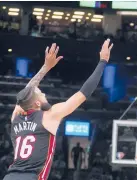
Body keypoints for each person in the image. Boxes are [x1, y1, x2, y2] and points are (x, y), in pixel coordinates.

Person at [4, 39, 113, 180]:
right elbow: (83, 93)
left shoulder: (16, 118)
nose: (44, 93)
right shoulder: (49, 116)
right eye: (41, 93)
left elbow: (25, 94)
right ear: (37, 102)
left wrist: (45, 67)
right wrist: (103, 62)